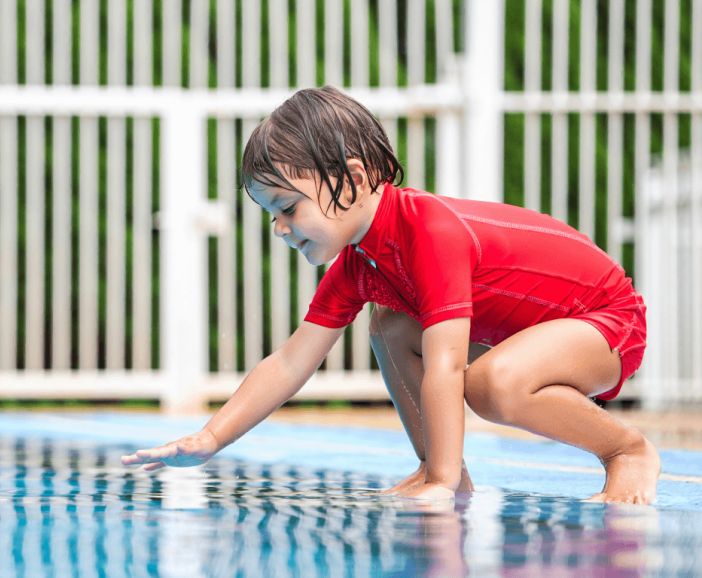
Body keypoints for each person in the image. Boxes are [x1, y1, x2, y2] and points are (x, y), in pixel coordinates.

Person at [121, 86, 661, 504]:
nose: (281, 228)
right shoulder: (362, 263)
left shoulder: (428, 231)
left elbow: (447, 366)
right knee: (389, 323)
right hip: (533, 333)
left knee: (491, 383)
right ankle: (438, 468)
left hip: (605, 320)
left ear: (353, 179)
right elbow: (289, 362)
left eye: (288, 208)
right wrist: (211, 437)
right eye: (271, 216)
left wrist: (442, 487)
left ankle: (625, 450)